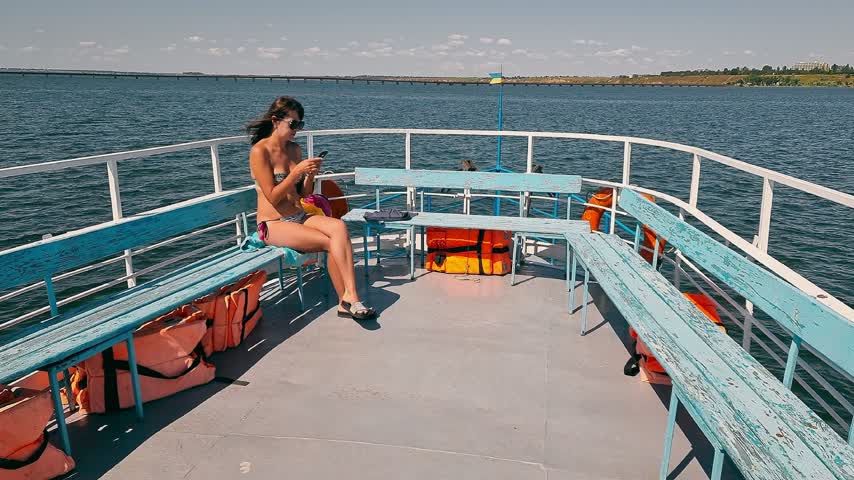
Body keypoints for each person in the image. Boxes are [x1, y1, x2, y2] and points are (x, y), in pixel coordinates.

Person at [246, 96, 376, 320]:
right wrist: (297, 172)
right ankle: (347, 301)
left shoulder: (294, 149)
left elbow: (304, 195)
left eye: (301, 124)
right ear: (275, 121)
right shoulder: (260, 152)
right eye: (293, 124)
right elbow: (273, 197)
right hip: (272, 224)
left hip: (299, 214)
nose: (297, 129)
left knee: (339, 227)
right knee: (330, 243)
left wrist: (310, 176)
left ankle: (350, 296)